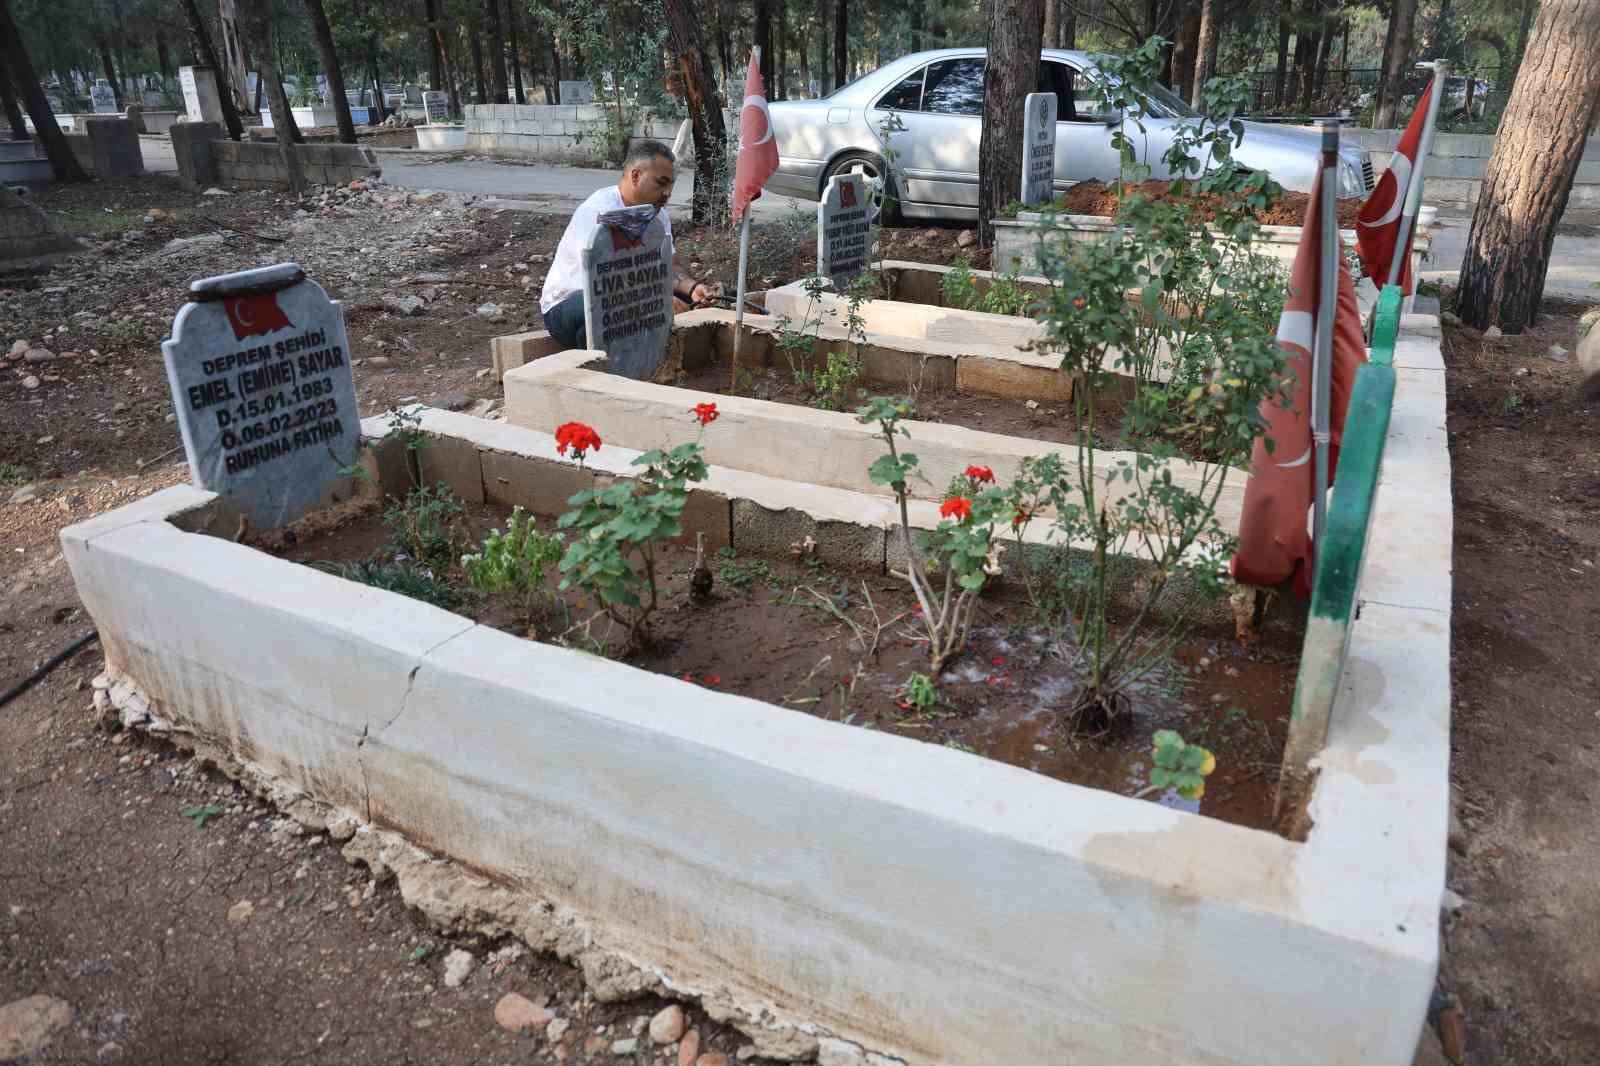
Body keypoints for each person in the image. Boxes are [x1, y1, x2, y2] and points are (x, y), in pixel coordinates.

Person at [540, 140, 721, 349]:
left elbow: (667, 265)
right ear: (635, 176)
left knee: (684, 301)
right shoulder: (601, 211)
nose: (667, 193)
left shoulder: (657, 214)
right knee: (610, 310)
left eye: (671, 184)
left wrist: (692, 288)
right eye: (661, 183)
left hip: (629, 297)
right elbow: (603, 280)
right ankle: (602, 370)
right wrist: (657, 300)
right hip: (570, 304)